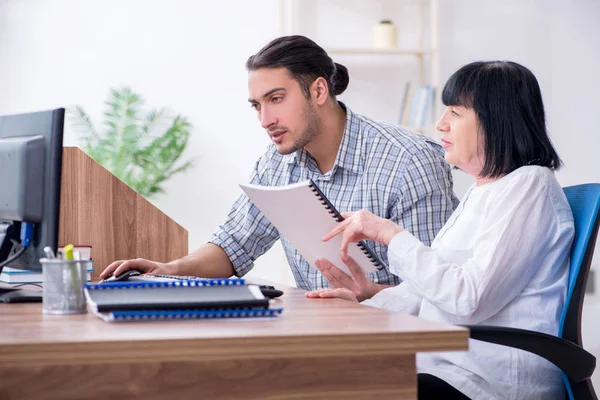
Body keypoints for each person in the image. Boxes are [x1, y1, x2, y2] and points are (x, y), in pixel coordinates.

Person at [100, 35, 457, 291]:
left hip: (397, 343)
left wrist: (371, 297)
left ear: (318, 91)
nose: (265, 119)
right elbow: (233, 246)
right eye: (257, 105)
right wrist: (167, 270)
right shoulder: (278, 160)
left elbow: (435, 293)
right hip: (322, 332)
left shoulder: (409, 161)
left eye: (276, 99)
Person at [306, 61, 573, 399]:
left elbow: (466, 298)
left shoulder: (528, 186)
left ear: (496, 120)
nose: (440, 124)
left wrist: (390, 234)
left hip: (489, 383)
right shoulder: (483, 191)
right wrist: (364, 303)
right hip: (446, 368)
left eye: (456, 112)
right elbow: (428, 293)